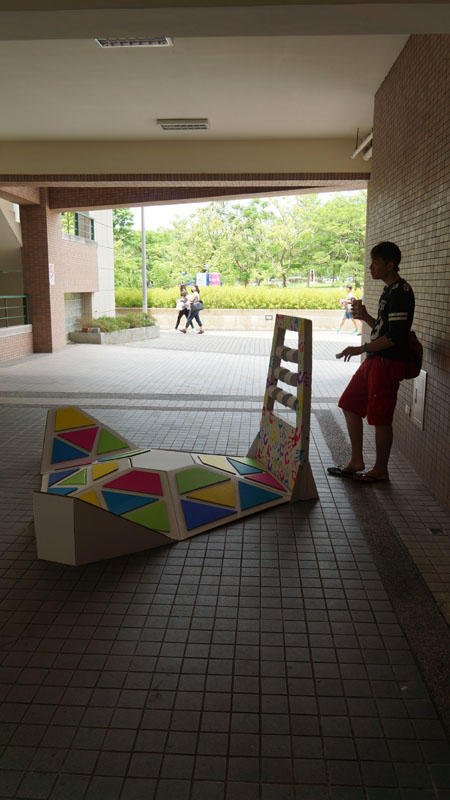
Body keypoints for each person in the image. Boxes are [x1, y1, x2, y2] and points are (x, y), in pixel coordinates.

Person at [328, 241, 415, 484]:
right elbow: (386, 328)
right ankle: (357, 461)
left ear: (390, 264)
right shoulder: (389, 290)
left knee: (380, 416)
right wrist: (366, 317)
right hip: (375, 359)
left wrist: (361, 348)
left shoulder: (401, 292)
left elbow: (395, 337)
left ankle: (380, 470)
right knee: (349, 403)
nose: (370, 267)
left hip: (387, 363)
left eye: (375, 262)